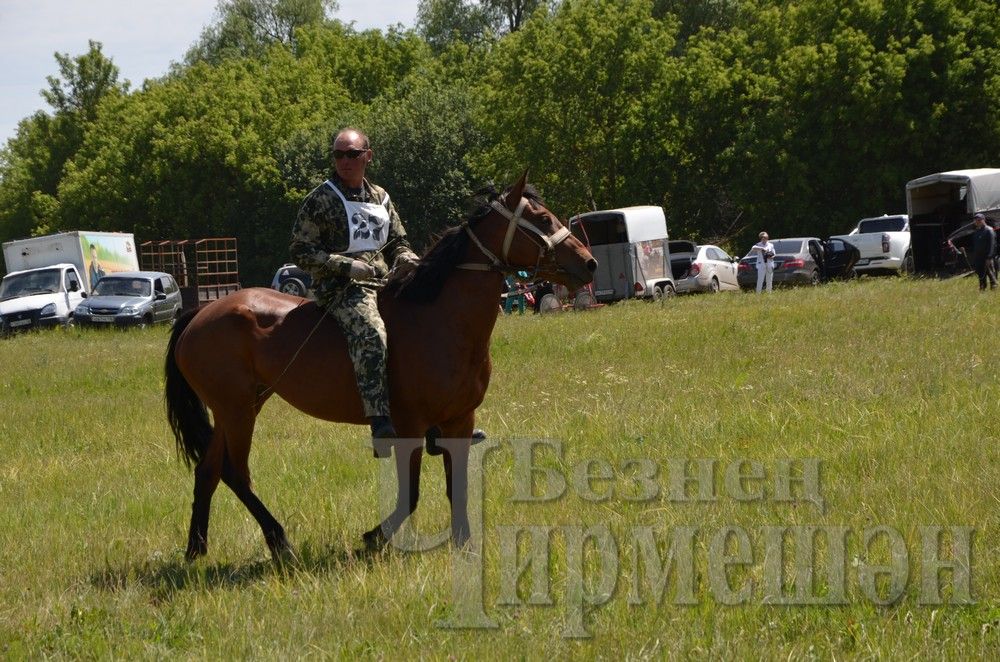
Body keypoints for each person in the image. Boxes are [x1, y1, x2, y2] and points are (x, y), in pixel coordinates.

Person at [289, 128, 420, 446]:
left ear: (368, 156)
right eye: (338, 155)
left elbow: (397, 242)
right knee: (371, 332)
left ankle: (435, 413)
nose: (344, 161)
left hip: (384, 283)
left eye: (351, 154)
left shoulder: (381, 197)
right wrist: (347, 265)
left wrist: (407, 258)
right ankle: (380, 422)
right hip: (341, 289)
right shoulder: (321, 199)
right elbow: (300, 251)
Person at [970, 213, 997, 291]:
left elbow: (992, 245)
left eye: (979, 220)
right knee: (980, 273)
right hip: (978, 257)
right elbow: (975, 245)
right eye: (976, 220)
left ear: (983, 220)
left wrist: (989, 257)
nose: (977, 221)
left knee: (989, 272)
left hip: (987, 256)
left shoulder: (989, 230)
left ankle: (994, 285)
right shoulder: (976, 232)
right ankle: (982, 287)